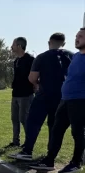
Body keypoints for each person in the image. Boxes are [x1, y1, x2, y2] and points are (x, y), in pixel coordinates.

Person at [10, 33, 73, 161]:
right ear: (64, 43)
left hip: (44, 95)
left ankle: (27, 150)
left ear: (49, 43)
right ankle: (51, 154)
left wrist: (37, 84)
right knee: (54, 125)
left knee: (33, 122)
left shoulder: (42, 57)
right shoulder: (72, 56)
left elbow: (32, 77)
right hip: (62, 96)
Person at [30, 28, 85, 173]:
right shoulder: (77, 57)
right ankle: (49, 160)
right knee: (56, 129)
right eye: (76, 36)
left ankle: (76, 162)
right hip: (65, 99)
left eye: (80, 36)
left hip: (80, 101)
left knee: (77, 132)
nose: (77, 38)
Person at [8, 37, 36, 147]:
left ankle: (28, 143)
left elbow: (35, 75)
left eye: (13, 44)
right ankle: (15, 142)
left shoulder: (30, 59)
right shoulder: (16, 61)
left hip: (26, 94)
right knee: (14, 119)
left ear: (19, 46)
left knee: (24, 119)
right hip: (15, 94)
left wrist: (35, 86)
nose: (11, 47)